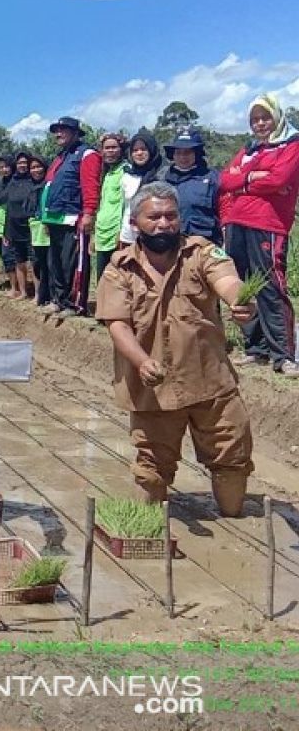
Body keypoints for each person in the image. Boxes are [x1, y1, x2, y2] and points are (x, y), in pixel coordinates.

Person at [95, 182, 256, 516]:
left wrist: (239, 300)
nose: (164, 223)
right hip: (152, 386)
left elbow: (226, 280)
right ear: (136, 222)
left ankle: (234, 523)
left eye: (170, 216)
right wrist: (140, 362)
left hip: (210, 381)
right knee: (152, 466)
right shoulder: (118, 268)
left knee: (232, 457)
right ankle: (150, 525)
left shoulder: (202, 252)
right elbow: (118, 325)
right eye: (154, 216)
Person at [218, 94, 299, 376]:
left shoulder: (292, 145)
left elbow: (279, 180)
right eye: (255, 120)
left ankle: (284, 355)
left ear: (276, 118)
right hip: (238, 223)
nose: (260, 124)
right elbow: (225, 180)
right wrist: (252, 177)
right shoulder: (250, 149)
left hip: (269, 225)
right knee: (243, 285)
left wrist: (244, 179)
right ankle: (256, 348)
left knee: (271, 287)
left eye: (265, 118)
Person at [42, 116, 100, 319]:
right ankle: (58, 299)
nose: (58, 134)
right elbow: (49, 187)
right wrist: (46, 218)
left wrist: (89, 213)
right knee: (55, 263)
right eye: (56, 130)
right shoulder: (60, 157)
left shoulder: (87, 154)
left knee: (73, 263)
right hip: (55, 218)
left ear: (75, 133)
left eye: (63, 130)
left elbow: (90, 186)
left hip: (74, 218)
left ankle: (75, 304)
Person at [161, 128, 220, 244]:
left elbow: (224, 212)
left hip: (204, 245)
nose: (183, 157)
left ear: (196, 154)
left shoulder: (213, 179)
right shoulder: (162, 180)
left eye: (187, 152)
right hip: (170, 244)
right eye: (178, 153)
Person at [1, 151, 39, 299]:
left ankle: (37, 295)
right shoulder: (12, 182)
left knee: (34, 262)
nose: (22, 165)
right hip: (14, 228)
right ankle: (23, 292)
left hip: (31, 228)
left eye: (25, 163)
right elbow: (8, 209)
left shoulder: (34, 181)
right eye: (19, 163)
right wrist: (6, 232)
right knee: (19, 261)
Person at [118, 129, 163, 250]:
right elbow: (123, 207)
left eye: (143, 149)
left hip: (152, 236)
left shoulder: (161, 176)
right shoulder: (127, 176)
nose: (139, 153)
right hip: (128, 236)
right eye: (135, 150)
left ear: (152, 150)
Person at [93, 132, 128, 278]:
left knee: (118, 277)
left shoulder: (126, 171)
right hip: (102, 233)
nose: (110, 151)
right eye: (106, 148)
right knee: (102, 276)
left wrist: (122, 232)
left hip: (117, 234)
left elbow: (126, 205)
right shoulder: (105, 173)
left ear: (121, 149)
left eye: (114, 147)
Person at [0, 155, 18, 294]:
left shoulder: (14, 183)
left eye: (7, 166)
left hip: (10, 227)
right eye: (1, 167)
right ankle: (13, 285)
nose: (4, 170)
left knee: (10, 257)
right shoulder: (1, 183)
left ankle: (16, 288)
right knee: (4, 256)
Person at [28, 155, 52, 305]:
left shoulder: (49, 185)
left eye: (38, 166)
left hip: (47, 229)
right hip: (34, 230)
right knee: (37, 263)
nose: (36, 170)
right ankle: (40, 295)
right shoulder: (30, 186)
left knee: (49, 264)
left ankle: (50, 296)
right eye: (33, 167)